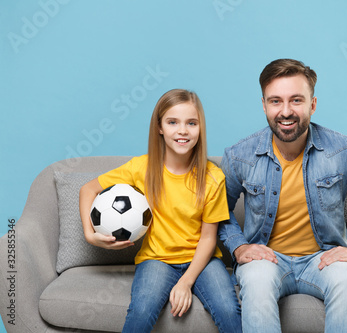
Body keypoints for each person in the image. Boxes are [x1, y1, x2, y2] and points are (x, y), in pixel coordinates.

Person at [218, 59, 347, 333]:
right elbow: (217, 211)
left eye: (296, 100)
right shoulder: (239, 155)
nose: (286, 111)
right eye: (276, 101)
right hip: (267, 260)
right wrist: (240, 247)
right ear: (264, 105)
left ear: (312, 104)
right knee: (256, 281)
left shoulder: (343, 149)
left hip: (323, 259)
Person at [79, 89, 242, 333]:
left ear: (200, 128)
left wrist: (185, 282)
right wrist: (90, 234)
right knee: (142, 310)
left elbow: (209, 238)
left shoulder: (212, 177)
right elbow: (87, 190)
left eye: (191, 123)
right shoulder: (140, 168)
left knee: (229, 310)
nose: (183, 130)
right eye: (173, 122)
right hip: (157, 259)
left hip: (202, 260)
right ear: (160, 127)